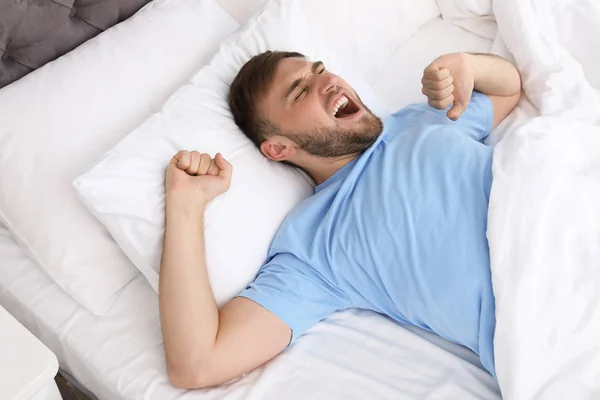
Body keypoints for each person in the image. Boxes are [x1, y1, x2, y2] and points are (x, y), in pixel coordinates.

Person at [159, 50, 522, 389]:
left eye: (320, 70)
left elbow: (508, 90)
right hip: (541, 311)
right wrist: (185, 207)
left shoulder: (420, 119)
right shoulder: (315, 247)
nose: (327, 81)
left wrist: (467, 64)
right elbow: (198, 363)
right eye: (300, 92)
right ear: (280, 148)